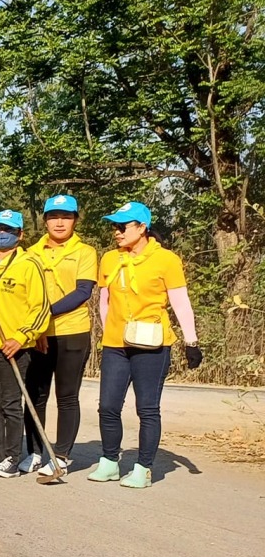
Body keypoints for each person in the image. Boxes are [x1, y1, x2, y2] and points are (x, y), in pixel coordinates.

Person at [90, 202, 201, 489]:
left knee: (147, 408)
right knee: (108, 406)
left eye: (122, 226)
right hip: (116, 342)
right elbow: (104, 301)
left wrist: (191, 341)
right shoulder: (110, 259)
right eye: (114, 226)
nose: (117, 232)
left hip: (152, 343)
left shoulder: (166, 259)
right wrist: (108, 330)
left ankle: (143, 468)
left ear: (142, 228)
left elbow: (180, 302)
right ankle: (109, 461)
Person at [0, 209, 50, 478]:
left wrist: (22, 337)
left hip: (13, 347)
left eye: (9, 230)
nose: (2, 234)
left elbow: (40, 308)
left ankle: (12, 458)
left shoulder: (29, 264)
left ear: (20, 234)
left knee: (11, 404)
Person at [23, 194, 98, 475]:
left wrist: (44, 314)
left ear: (75, 220)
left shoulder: (85, 252)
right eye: (53, 217)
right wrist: (36, 325)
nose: (59, 222)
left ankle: (61, 456)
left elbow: (82, 292)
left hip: (73, 331)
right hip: (38, 334)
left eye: (66, 217)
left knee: (67, 395)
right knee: (36, 394)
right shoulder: (30, 253)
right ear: (45, 220)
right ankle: (34, 452)